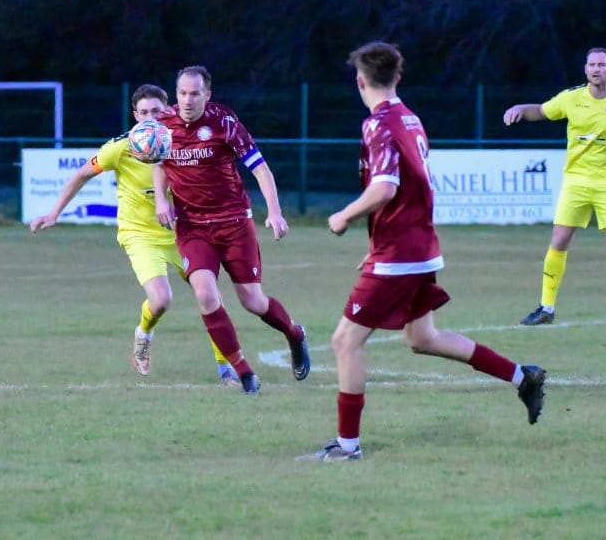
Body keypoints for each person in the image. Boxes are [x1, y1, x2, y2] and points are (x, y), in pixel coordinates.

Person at [300, 41, 546, 462]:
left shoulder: (378, 123)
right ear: (398, 77)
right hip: (415, 246)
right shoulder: (410, 118)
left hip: (401, 252)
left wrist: (344, 215)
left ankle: (347, 446)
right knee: (422, 337)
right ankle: (523, 377)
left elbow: (385, 188)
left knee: (345, 342)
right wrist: (379, 246)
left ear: (360, 81)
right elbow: (411, 191)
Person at [30, 84, 241, 386]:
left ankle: (226, 368)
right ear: (135, 116)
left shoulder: (184, 141)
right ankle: (143, 334)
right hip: (139, 234)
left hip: (183, 233)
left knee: (210, 296)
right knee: (162, 299)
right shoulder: (121, 147)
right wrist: (53, 213)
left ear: (168, 111)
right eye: (144, 112)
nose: (150, 118)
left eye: (157, 111)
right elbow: (81, 174)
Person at [152, 65, 311, 395]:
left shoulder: (224, 122)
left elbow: (260, 168)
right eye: (182, 93)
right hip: (193, 226)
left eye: (195, 93)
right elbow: (159, 162)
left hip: (234, 222)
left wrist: (275, 212)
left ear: (207, 95)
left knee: (252, 301)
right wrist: (161, 200)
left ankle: (294, 334)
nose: (187, 100)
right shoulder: (163, 124)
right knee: (205, 294)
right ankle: (244, 373)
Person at [503, 47, 606, 326]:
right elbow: (541, 111)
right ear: (586, 70)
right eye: (592, 65)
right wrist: (520, 109)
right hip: (576, 180)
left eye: (602, 65)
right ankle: (546, 308)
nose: (596, 69)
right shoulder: (571, 98)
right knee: (559, 240)